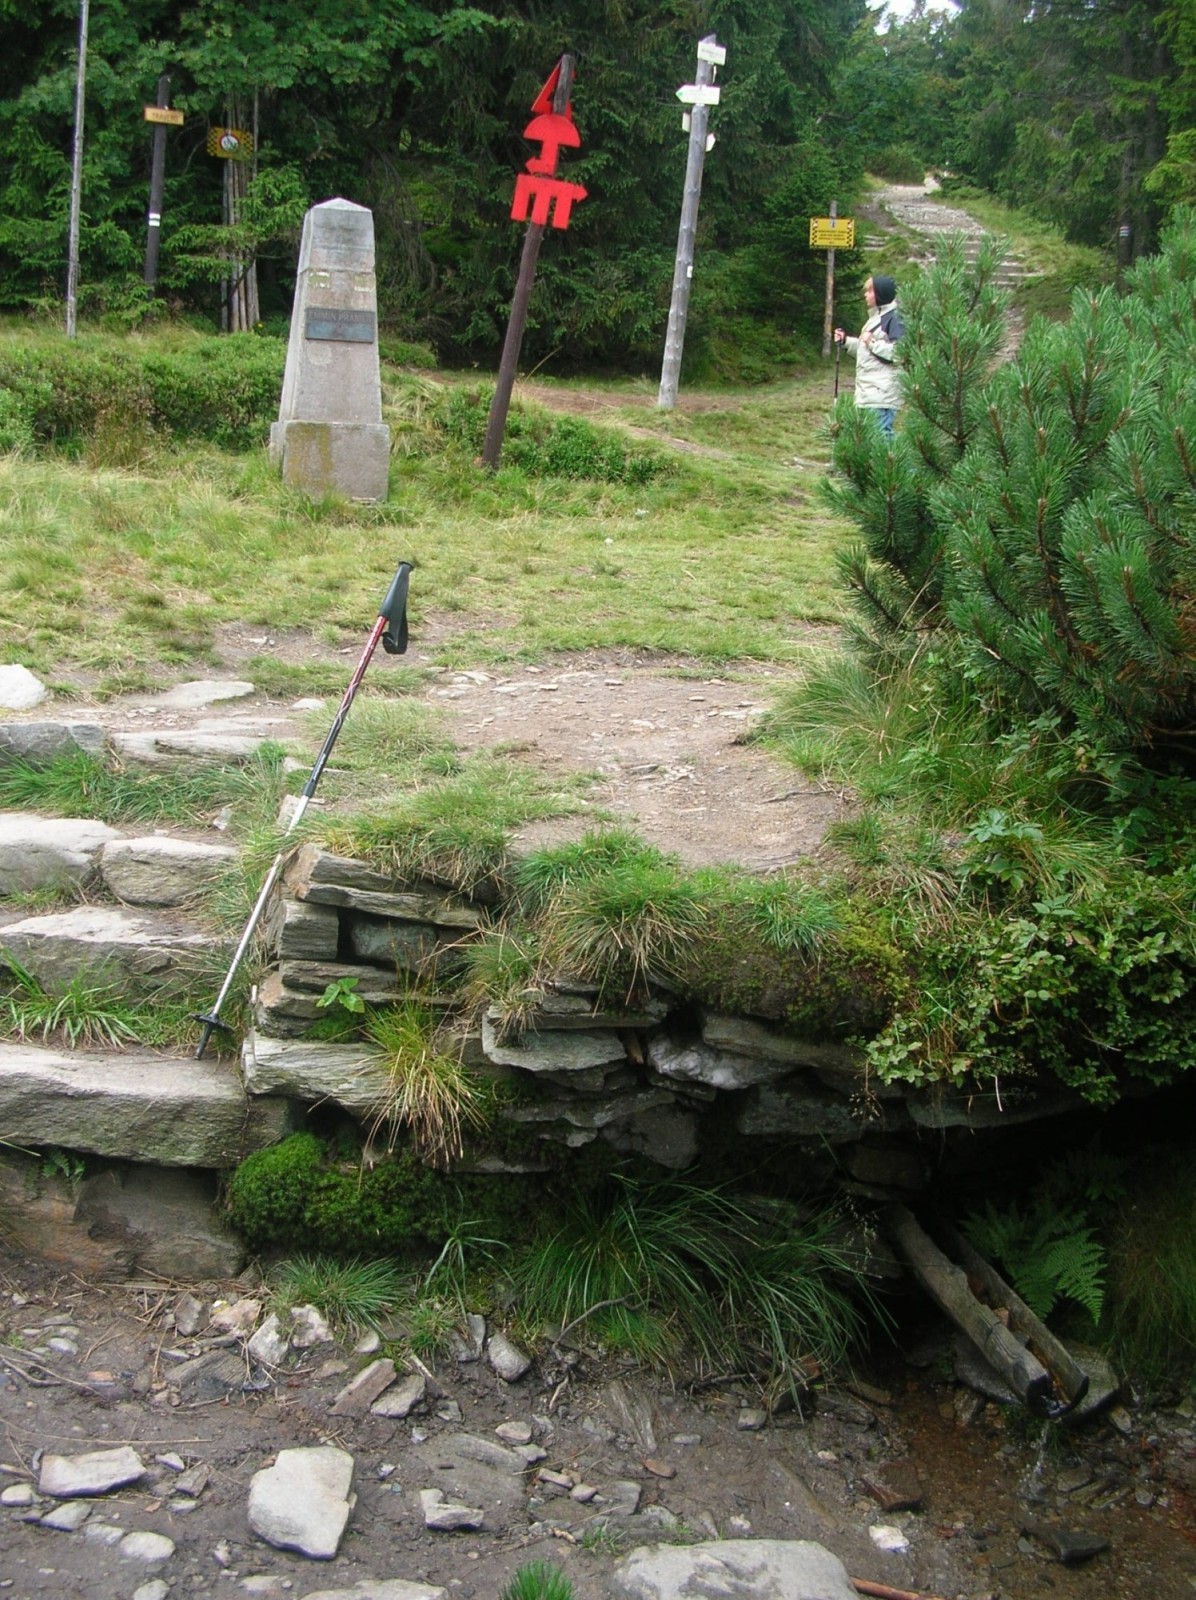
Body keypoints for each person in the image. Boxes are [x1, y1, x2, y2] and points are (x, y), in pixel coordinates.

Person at [834, 274, 904, 438]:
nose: (865, 294)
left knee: (881, 438)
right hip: (869, 393)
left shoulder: (893, 318)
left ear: (880, 293)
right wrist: (846, 341)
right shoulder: (875, 318)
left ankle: (901, 456)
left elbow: (899, 352)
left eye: (870, 291)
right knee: (872, 439)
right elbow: (866, 350)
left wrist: (872, 343)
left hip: (882, 393)